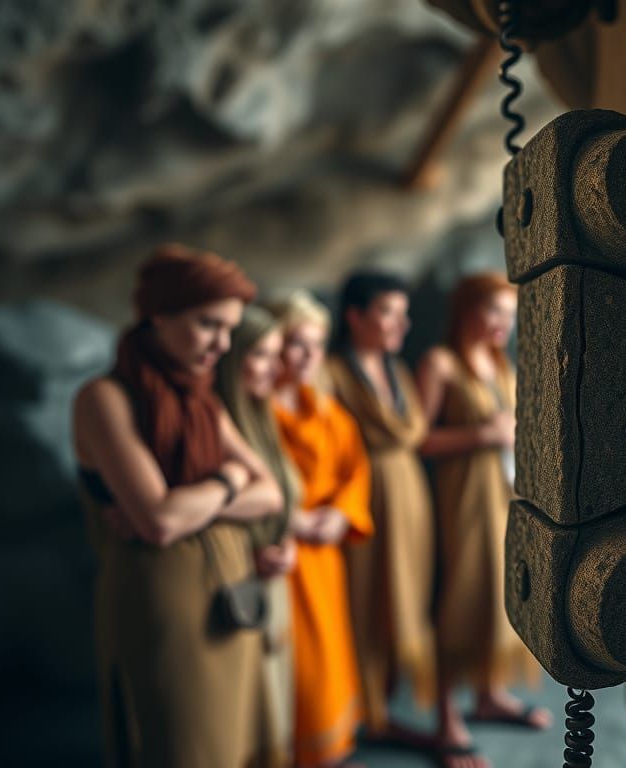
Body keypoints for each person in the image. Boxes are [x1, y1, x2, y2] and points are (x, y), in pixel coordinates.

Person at [72, 244, 283, 768]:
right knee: (182, 743)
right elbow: (160, 521)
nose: (223, 344)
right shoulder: (105, 399)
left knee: (235, 739)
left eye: (231, 329)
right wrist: (233, 480)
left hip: (230, 596)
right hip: (163, 607)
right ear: (157, 316)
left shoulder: (202, 400)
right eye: (209, 324)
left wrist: (205, 495)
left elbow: (272, 493)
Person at [416, 272, 551, 768]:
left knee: (500, 590)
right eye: (493, 311)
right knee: (461, 595)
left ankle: (489, 695)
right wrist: (482, 436)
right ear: (466, 309)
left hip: (504, 493)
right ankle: (447, 717)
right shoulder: (441, 363)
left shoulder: (499, 364)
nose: (503, 324)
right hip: (462, 498)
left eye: (509, 314)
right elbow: (419, 440)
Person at [327, 271, 437, 745]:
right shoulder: (331, 372)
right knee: (364, 600)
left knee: (405, 598)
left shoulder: (401, 372)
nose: (402, 324)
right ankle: (358, 711)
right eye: (389, 312)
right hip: (363, 502)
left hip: (410, 500)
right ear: (354, 316)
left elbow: (414, 432)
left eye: (404, 313)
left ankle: (385, 707)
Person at [270, 290, 374, 768]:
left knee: (329, 658)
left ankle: (328, 750)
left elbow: (355, 468)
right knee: (294, 669)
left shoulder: (325, 408)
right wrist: (291, 520)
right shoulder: (255, 412)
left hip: (323, 557)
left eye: (317, 343)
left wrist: (340, 514)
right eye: (297, 343)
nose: (310, 355)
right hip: (278, 559)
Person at [215, 305, 300, 766]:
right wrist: (252, 550)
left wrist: (283, 541)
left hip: (271, 583)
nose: (279, 367)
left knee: (275, 714)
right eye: (264, 356)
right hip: (231, 585)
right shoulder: (214, 422)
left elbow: (282, 497)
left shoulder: (260, 414)